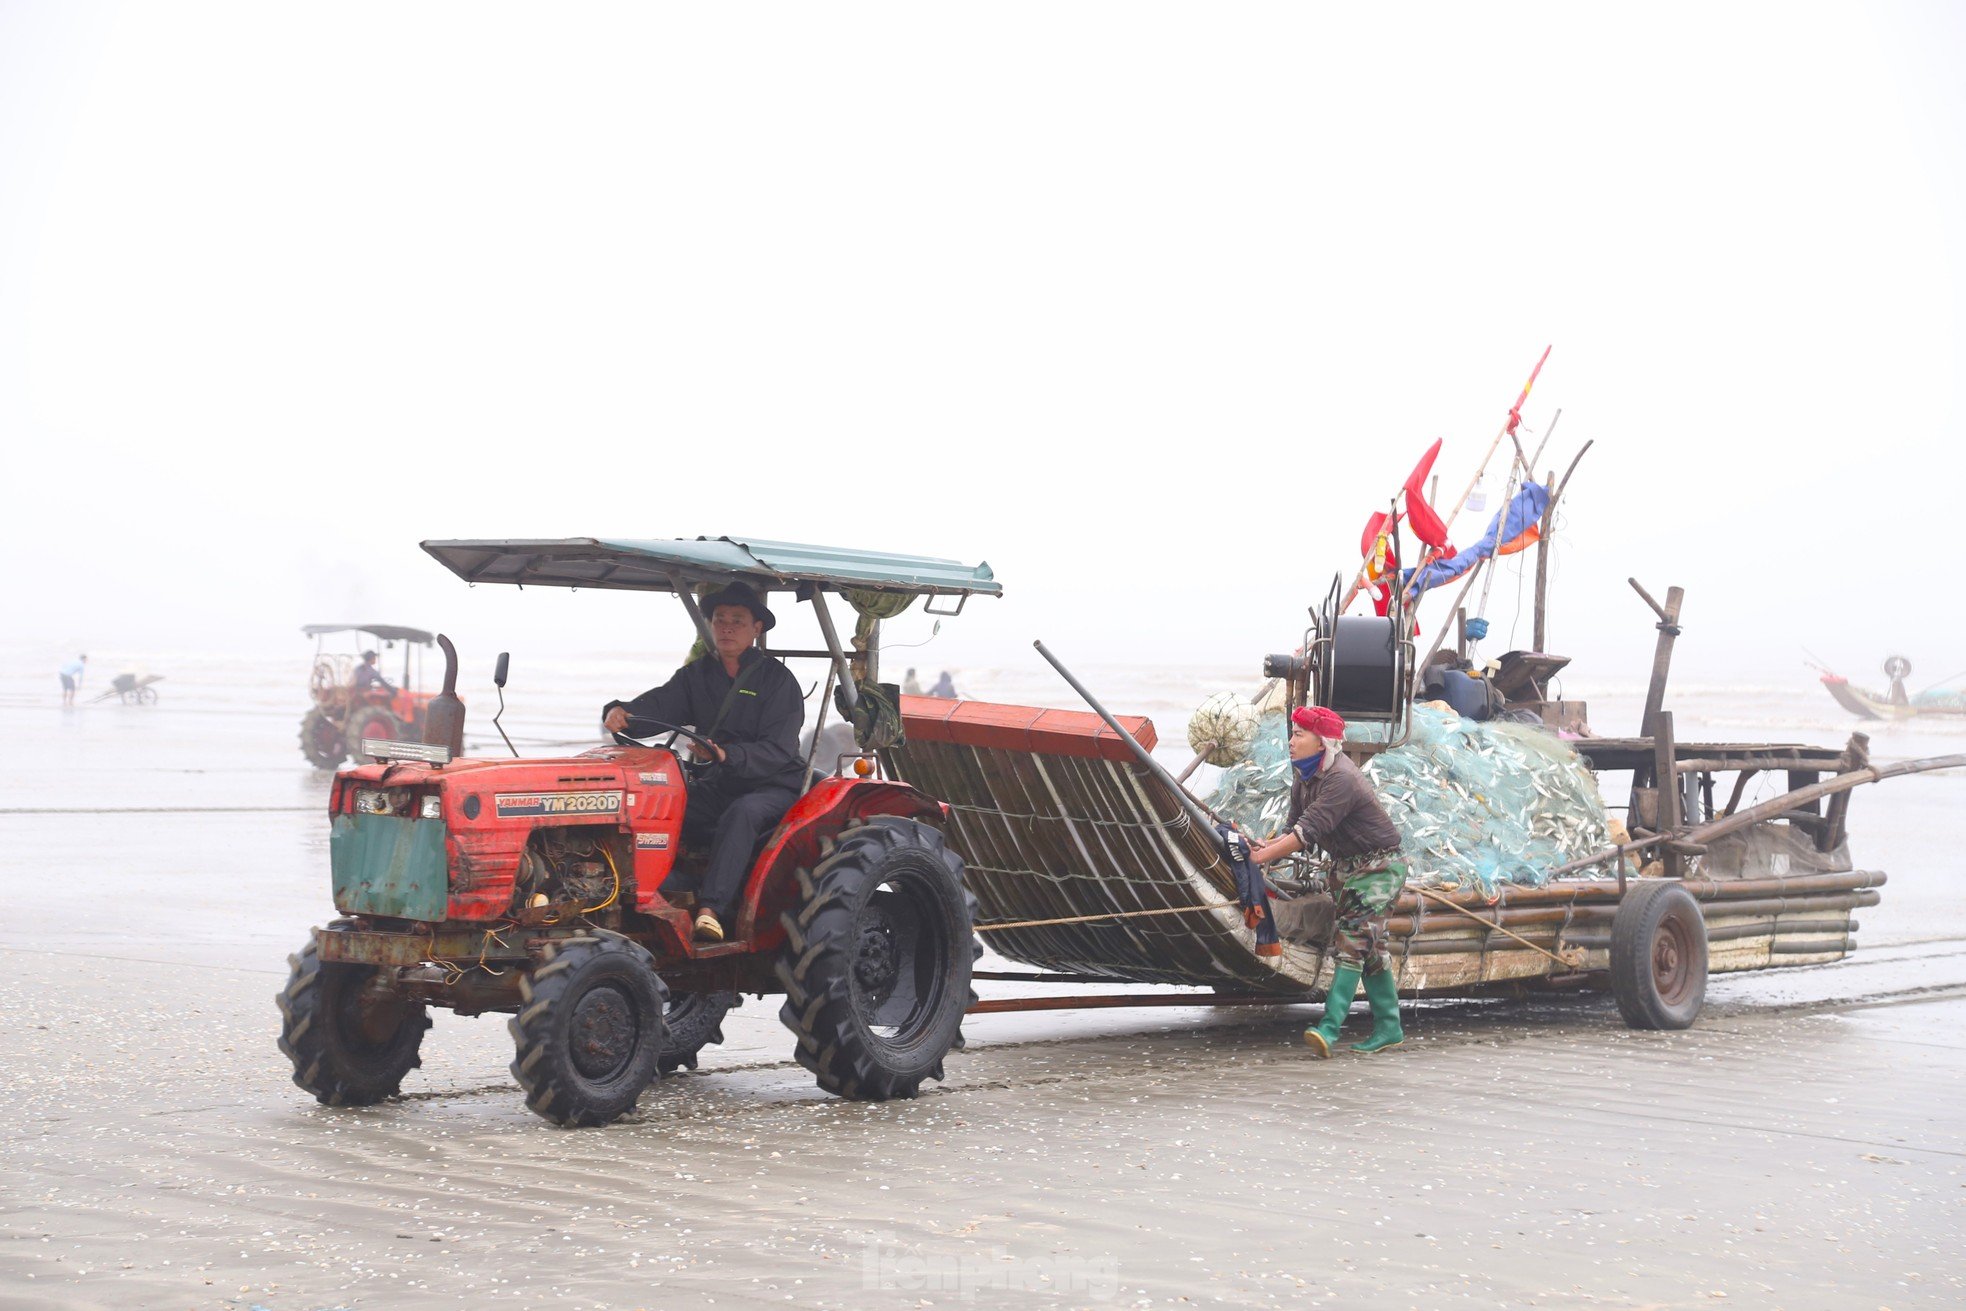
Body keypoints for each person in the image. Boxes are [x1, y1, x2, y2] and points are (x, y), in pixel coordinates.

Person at [602, 582, 804, 943]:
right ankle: (649, 889)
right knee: (663, 805)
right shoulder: (697, 675)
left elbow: (778, 749)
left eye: (737, 621)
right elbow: (661, 706)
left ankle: (712, 910)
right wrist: (622, 713)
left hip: (774, 783)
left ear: (757, 629)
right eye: (720, 619)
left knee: (743, 813)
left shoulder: (778, 681)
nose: (726, 627)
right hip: (720, 780)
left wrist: (727, 755)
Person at [1247, 705, 1407, 1057]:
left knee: (1351, 942)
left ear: (1323, 743)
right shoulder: (1303, 777)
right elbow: (1293, 828)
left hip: (1379, 868)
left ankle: (1329, 1029)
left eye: (1299, 734)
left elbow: (1308, 833)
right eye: (1292, 733)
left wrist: (1261, 858)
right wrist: (1264, 845)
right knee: (1371, 948)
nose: (1291, 742)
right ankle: (1390, 1028)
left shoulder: (1341, 779)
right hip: (1346, 869)